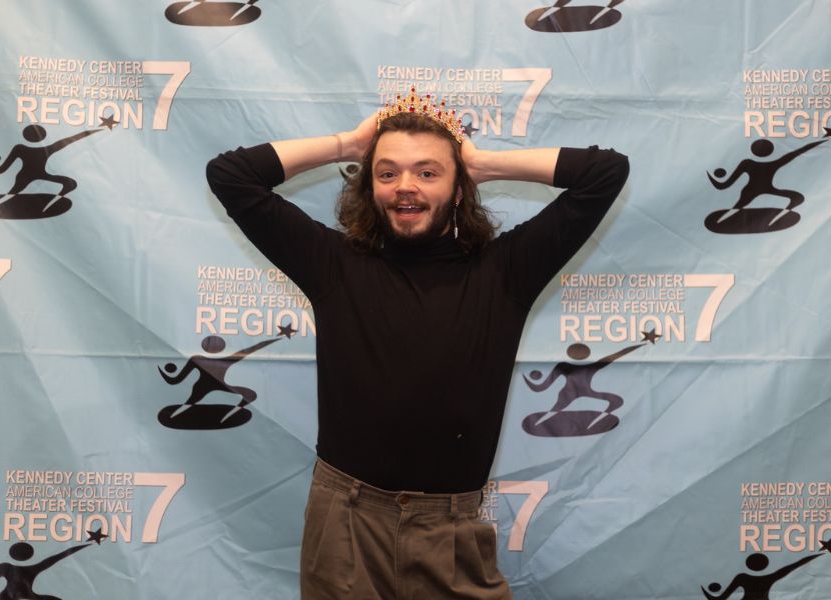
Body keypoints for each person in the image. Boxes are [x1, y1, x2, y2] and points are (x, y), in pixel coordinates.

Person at [206, 88, 629, 599]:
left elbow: (605, 173)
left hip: (451, 531)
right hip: (346, 525)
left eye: (428, 172)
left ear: (458, 189)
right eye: (387, 173)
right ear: (369, 186)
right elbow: (230, 174)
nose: (405, 187)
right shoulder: (333, 264)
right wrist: (349, 143)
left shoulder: (506, 272)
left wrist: (480, 161)